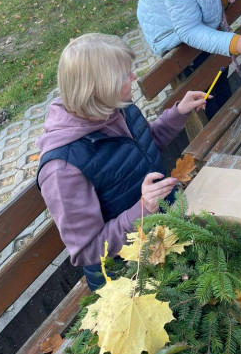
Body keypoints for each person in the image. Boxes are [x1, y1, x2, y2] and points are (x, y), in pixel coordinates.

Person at [36, 33, 207, 290]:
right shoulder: (63, 169)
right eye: (125, 75)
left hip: (163, 229)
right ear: (99, 88)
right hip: (126, 275)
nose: (133, 77)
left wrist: (177, 114)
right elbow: (87, 250)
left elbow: (143, 148)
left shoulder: (115, 108)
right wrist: (143, 209)